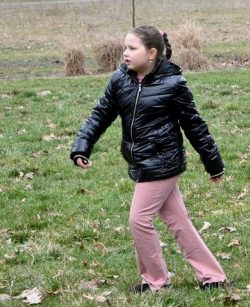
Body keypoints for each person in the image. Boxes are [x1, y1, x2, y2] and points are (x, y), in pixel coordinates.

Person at [70, 26, 227, 293]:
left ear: (152, 53)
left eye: (132, 48)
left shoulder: (174, 84)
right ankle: (213, 276)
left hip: (163, 162)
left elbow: (195, 126)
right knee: (178, 221)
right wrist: (82, 146)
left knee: (139, 220)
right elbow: (100, 115)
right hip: (140, 162)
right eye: (125, 48)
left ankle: (156, 281)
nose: (125, 53)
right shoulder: (120, 80)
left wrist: (214, 163)